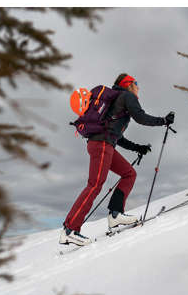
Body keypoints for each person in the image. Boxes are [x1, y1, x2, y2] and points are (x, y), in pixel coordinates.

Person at [60, 73, 175, 246]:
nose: (138, 87)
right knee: (95, 185)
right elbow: (140, 117)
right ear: (128, 84)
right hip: (101, 145)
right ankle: (70, 230)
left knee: (129, 173)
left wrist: (137, 147)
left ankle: (115, 215)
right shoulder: (127, 96)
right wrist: (163, 121)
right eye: (136, 83)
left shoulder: (115, 101)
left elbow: (116, 136)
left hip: (104, 144)